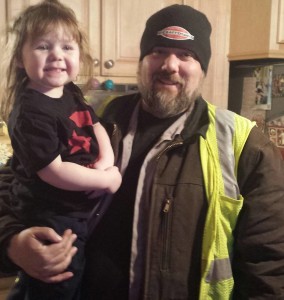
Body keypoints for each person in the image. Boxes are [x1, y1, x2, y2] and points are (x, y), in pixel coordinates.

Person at [1, 3, 284, 300]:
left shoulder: (242, 143)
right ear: (142, 61)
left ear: (202, 69)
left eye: (186, 55)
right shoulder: (89, 116)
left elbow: (269, 264)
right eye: (158, 50)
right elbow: (12, 181)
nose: (170, 65)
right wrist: (12, 243)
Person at [0, 0, 121, 299]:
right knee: (61, 279)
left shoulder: (70, 92)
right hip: (52, 215)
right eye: (43, 46)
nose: (57, 55)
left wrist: (106, 160)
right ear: (19, 58)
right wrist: (105, 180)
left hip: (76, 208)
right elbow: (54, 171)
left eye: (67, 47)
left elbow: (95, 126)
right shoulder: (29, 112)